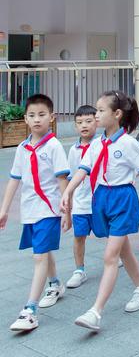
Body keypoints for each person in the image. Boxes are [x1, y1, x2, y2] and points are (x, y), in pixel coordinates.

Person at [61, 91, 139, 332]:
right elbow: (83, 169)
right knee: (124, 251)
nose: (96, 114)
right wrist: (68, 192)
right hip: (102, 198)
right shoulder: (97, 143)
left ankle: (96, 311)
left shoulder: (127, 143)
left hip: (122, 198)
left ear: (117, 114)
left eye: (101, 110)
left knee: (110, 256)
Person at [1, 94, 70, 332]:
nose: (37, 119)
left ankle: (29, 310)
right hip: (29, 209)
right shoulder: (22, 147)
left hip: (49, 209)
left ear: (52, 117)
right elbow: (14, 180)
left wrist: (66, 209)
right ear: (25, 119)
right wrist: (4, 210)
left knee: (39, 256)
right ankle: (55, 284)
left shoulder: (54, 146)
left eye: (42, 115)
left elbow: (62, 179)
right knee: (42, 250)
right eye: (32, 115)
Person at [66, 105, 98, 289]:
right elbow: (71, 176)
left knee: (111, 232)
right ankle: (79, 270)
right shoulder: (73, 150)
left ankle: (117, 255)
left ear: (97, 121)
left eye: (88, 121)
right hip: (80, 202)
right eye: (79, 123)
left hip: (100, 199)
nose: (84, 125)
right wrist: (68, 204)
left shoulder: (102, 144)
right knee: (79, 236)